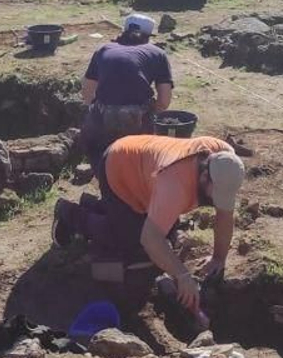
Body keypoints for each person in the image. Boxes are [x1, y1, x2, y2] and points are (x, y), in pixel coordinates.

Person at [53, 134, 244, 313]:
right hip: (119, 167)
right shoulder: (175, 186)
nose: (217, 200)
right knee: (128, 240)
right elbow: (150, 238)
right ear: (204, 176)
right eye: (216, 193)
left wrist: (219, 258)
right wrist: (183, 276)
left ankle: (91, 204)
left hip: (146, 171)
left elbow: (225, 214)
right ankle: (68, 213)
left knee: (160, 234)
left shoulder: (225, 160)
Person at [80, 14, 174, 161]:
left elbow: (87, 92)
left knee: (99, 150)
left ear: (124, 31)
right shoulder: (157, 53)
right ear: (148, 36)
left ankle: (99, 161)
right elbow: (164, 101)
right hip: (138, 119)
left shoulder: (103, 50)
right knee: (141, 154)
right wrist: (151, 115)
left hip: (104, 116)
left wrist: (96, 111)